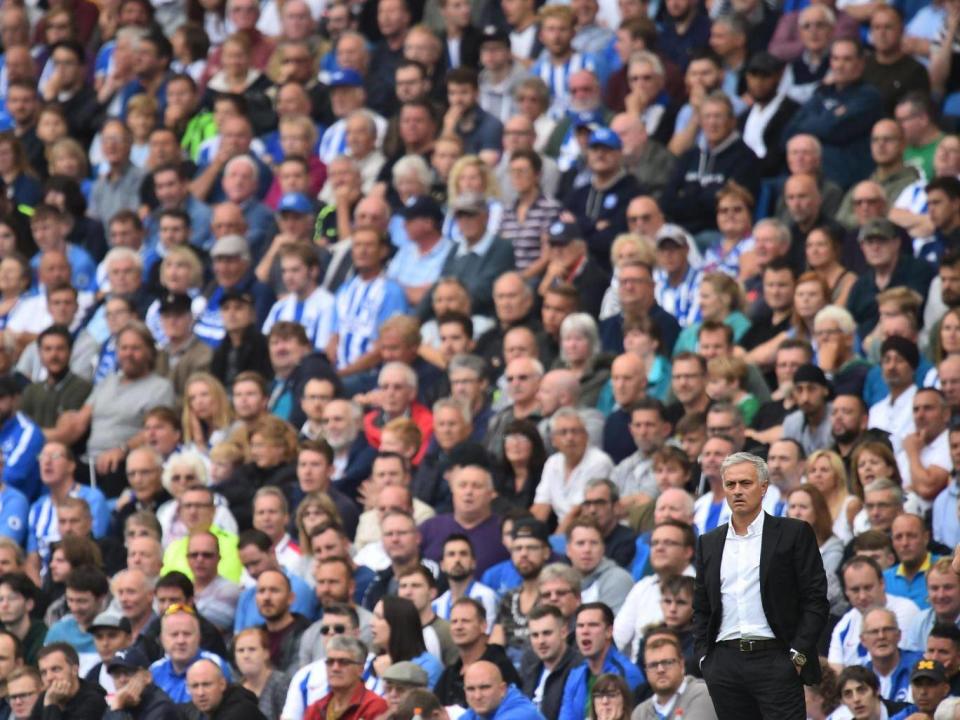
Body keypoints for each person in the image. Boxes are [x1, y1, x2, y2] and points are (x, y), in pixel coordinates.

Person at [693, 452, 829, 717]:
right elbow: (701, 607)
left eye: (746, 483)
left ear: (764, 487)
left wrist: (797, 656)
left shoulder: (794, 533)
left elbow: (815, 599)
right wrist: (705, 659)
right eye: (730, 485)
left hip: (777, 659)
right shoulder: (709, 542)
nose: (737, 491)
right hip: (724, 663)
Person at [558, 602, 641, 720]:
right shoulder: (575, 675)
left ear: (609, 631)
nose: (585, 631)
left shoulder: (627, 673)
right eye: (580, 626)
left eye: (593, 625)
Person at [434, 598, 519, 707]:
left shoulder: (500, 666)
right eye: (454, 622)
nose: (458, 627)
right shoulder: (449, 674)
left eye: (465, 621)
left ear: (483, 625)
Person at [634, 635, 716, 719]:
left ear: (681, 664)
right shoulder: (640, 712)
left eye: (667, 662)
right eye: (653, 665)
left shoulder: (702, 693)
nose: (660, 670)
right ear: (646, 670)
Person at [34, 643, 107, 720]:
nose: (49, 677)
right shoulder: (45, 697)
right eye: (43, 673)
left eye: (55, 669)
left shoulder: (94, 700)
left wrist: (51, 704)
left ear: (74, 670)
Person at [104, 646, 180, 720]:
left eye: (129, 672)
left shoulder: (162, 707)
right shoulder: (119, 702)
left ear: (147, 676)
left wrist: (117, 709)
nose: (122, 680)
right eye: (116, 674)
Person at [184, 659, 266, 720]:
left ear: (222, 684)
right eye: (195, 686)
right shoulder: (192, 709)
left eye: (206, 685)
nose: (200, 693)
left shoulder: (240, 711)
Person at [460, 660, 543, 720]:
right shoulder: (474, 712)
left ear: (502, 690)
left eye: (485, 687)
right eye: (470, 689)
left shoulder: (521, 713)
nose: (477, 696)